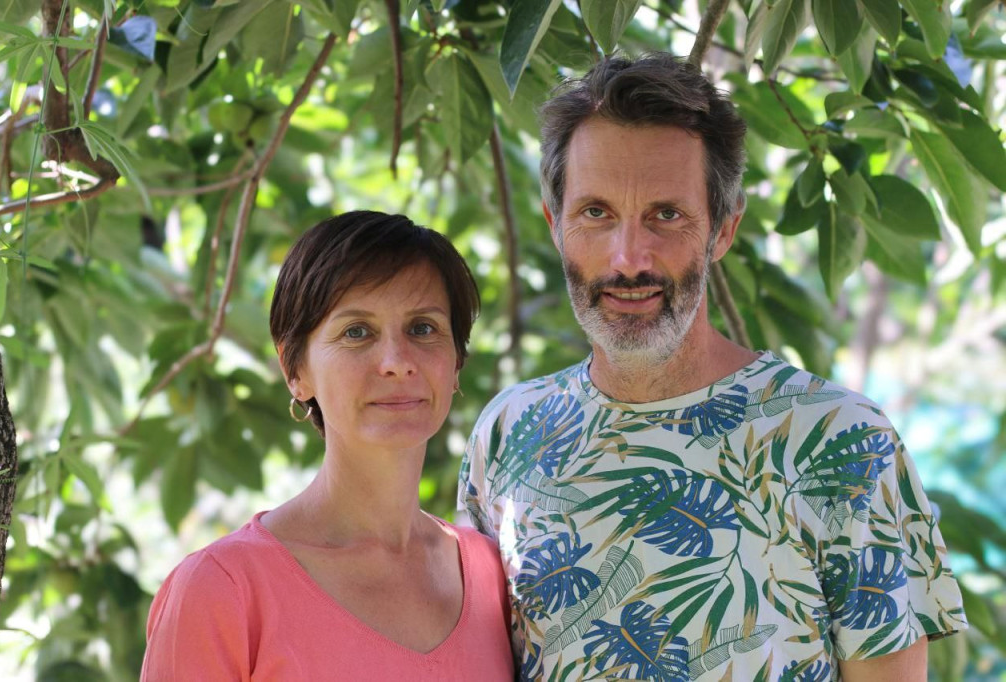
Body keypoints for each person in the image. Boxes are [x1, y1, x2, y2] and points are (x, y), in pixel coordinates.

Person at [459, 54, 968, 682]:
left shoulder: (839, 440)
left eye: (666, 215)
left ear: (723, 230)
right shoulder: (508, 433)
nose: (628, 258)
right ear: (556, 224)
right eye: (596, 213)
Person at [143, 211, 513, 681]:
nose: (397, 361)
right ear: (295, 370)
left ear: (456, 361)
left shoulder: (493, 574)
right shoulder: (221, 588)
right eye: (357, 331)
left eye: (423, 328)